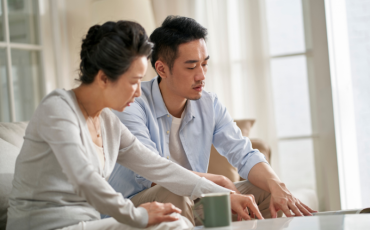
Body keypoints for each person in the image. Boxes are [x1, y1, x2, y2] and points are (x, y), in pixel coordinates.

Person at [6, 21, 261, 230]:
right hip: (46, 226)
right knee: (170, 223)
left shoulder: (108, 123)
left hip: (87, 224)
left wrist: (224, 194)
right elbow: (85, 179)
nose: (139, 92)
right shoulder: (57, 109)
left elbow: (159, 167)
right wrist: (139, 216)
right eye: (134, 81)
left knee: (174, 221)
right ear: (104, 78)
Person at [108, 16, 317, 225]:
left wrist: (276, 185)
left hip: (194, 199)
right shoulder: (132, 102)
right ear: (162, 69)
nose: (201, 75)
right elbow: (154, 172)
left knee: (265, 191)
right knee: (173, 191)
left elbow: (244, 154)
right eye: (191, 67)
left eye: (204, 64)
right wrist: (221, 183)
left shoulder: (209, 104)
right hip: (134, 208)